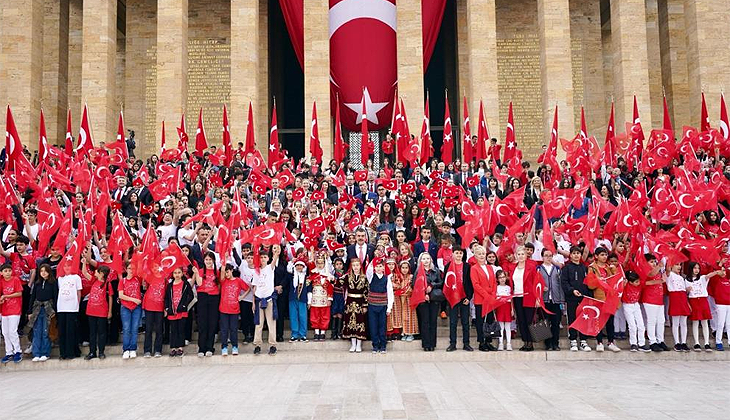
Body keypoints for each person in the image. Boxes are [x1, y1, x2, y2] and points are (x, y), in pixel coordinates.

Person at [586, 246, 620, 352]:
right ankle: (599, 342)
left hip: (609, 297)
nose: (604, 257)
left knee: (610, 321)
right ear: (596, 256)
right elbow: (590, 285)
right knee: (599, 321)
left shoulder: (609, 267)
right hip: (598, 297)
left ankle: (610, 342)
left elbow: (617, 281)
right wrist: (598, 280)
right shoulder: (592, 267)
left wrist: (614, 271)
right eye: (602, 255)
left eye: (605, 255)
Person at [686, 262, 722, 352]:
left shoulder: (702, 278)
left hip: (703, 300)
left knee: (704, 322)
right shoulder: (686, 280)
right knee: (695, 322)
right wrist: (687, 290)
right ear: (691, 269)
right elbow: (685, 292)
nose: (696, 270)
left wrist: (717, 272)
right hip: (693, 300)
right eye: (694, 268)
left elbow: (708, 275)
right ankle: (696, 343)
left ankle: (706, 343)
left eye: (698, 268)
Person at [561, 246, 591, 352]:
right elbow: (564, 282)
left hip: (583, 298)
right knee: (572, 318)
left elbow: (589, 282)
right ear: (570, 255)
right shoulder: (566, 268)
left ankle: (583, 341)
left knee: (583, 318)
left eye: (578, 253)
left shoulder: (584, 268)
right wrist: (572, 290)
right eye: (574, 253)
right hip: (571, 298)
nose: (576, 255)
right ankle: (573, 340)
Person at [248, 250, 278, 355]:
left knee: (271, 322)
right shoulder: (256, 271)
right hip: (259, 299)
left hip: (269, 299)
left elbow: (275, 259)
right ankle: (257, 344)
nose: (263, 259)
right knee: (258, 323)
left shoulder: (270, 268)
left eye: (265, 257)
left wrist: (276, 252)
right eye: (261, 257)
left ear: (268, 258)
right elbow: (254, 287)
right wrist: (253, 302)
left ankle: (272, 344)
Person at [469, 245, 498, 352]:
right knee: (481, 321)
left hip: (490, 299)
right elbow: (476, 285)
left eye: (483, 254)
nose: (481, 256)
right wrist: (487, 296)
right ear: (475, 256)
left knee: (490, 321)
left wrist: (493, 295)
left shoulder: (490, 267)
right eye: (479, 254)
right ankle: (482, 342)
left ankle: (488, 342)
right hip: (481, 300)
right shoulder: (474, 268)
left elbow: (494, 282)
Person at [445, 246, 474, 352]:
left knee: (465, 321)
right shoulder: (448, 266)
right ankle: (452, 343)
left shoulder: (467, 266)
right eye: (456, 253)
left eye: (460, 253)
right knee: (453, 322)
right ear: (452, 254)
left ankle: (466, 343)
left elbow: (471, 283)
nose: (458, 255)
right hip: (453, 297)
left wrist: (469, 297)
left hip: (464, 297)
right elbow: (446, 282)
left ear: (463, 254)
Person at [81, 264, 113, 360]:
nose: (94, 272)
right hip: (91, 311)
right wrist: (83, 263)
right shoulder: (93, 281)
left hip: (102, 311)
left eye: (96, 271)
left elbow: (110, 298)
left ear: (102, 274)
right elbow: (84, 273)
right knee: (92, 332)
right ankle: (92, 352)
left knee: (102, 332)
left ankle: (101, 352)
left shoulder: (108, 284)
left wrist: (110, 311)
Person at [27, 264, 58, 362]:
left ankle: (45, 353)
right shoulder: (37, 284)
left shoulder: (53, 283)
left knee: (46, 331)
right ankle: (36, 353)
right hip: (37, 308)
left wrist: (54, 310)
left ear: (49, 272)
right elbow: (32, 297)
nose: (43, 273)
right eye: (41, 271)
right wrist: (29, 311)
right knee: (37, 331)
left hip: (48, 309)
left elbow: (55, 297)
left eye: (45, 271)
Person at [193, 251, 220, 357]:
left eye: (210, 259)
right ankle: (201, 348)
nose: (208, 261)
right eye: (206, 259)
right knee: (202, 323)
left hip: (214, 298)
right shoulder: (200, 271)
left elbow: (219, 285)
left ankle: (210, 347)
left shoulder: (216, 272)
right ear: (203, 260)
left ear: (213, 260)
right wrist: (195, 273)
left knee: (212, 323)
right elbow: (199, 283)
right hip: (203, 297)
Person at [218, 264, 250, 356]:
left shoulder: (238, 281)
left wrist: (242, 296)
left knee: (233, 329)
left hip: (234, 309)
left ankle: (234, 346)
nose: (226, 274)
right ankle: (224, 347)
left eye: (228, 272)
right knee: (224, 329)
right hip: (223, 309)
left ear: (232, 270)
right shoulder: (223, 281)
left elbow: (248, 289)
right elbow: (222, 276)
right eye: (225, 273)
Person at [537, 248, 564, 351]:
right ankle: (547, 344)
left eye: (550, 256)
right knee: (545, 322)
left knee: (556, 323)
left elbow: (560, 285)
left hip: (555, 300)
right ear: (542, 257)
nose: (548, 258)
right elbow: (536, 284)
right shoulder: (539, 269)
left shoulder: (557, 269)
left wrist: (561, 300)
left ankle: (555, 343)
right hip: (544, 300)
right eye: (546, 255)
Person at [415, 252, 442, 352]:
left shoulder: (436, 271)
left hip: (434, 299)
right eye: (424, 259)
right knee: (425, 321)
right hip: (423, 300)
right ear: (420, 261)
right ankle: (426, 344)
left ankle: (432, 344)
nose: (426, 261)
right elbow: (415, 285)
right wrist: (423, 293)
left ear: (431, 260)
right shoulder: (418, 272)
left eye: (428, 259)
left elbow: (441, 283)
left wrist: (432, 285)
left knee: (433, 321)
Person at [165, 267, 194, 357]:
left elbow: (191, 295)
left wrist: (184, 305)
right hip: (172, 312)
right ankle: (173, 348)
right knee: (173, 330)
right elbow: (166, 298)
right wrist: (167, 308)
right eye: (175, 273)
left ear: (182, 274)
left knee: (181, 329)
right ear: (172, 274)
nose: (177, 275)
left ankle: (180, 348)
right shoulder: (169, 285)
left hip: (181, 312)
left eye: (179, 272)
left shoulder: (185, 284)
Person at [642, 254, 668, 352]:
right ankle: (652, 341)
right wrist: (659, 266)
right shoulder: (645, 270)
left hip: (659, 299)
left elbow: (663, 276)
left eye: (654, 261)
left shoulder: (659, 271)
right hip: (649, 299)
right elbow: (650, 275)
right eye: (651, 262)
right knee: (652, 320)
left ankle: (660, 340)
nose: (654, 263)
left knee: (661, 320)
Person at [367, 257, 394, 353]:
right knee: (373, 326)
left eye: (380, 266)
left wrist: (389, 308)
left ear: (383, 268)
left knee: (382, 326)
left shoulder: (387, 279)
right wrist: (376, 257)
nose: (378, 268)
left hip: (383, 306)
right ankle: (375, 345)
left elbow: (390, 293)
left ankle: (383, 345)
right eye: (377, 266)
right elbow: (368, 270)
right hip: (372, 305)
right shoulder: (371, 277)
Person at [342, 258, 368, 353]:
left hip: (360, 302)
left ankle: (359, 344)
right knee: (350, 323)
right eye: (354, 265)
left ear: (360, 266)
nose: (356, 267)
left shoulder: (364, 278)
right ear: (351, 267)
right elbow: (339, 284)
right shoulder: (347, 277)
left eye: (357, 265)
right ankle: (353, 344)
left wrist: (365, 305)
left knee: (360, 322)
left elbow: (366, 292)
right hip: (350, 302)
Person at [56, 270, 83, 360]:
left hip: (72, 307)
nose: (67, 268)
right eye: (65, 266)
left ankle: (71, 352)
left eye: (69, 266)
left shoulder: (76, 277)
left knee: (71, 330)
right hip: (61, 307)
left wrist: (77, 304)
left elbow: (79, 292)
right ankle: (63, 353)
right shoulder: (60, 278)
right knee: (62, 331)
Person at [0, 263, 24, 363]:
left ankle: (17, 351)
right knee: (5, 332)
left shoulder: (15, 280)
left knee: (12, 331)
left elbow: (19, 293)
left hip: (15, 309)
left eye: (9, 271)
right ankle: (9, 352)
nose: (8, 273)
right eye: (5, 271)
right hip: (4, 310)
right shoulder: (1, 282)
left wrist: (6, 296)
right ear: (1, 273)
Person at [119, 264, 143, 359]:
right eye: (129, 268)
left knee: (134, 328)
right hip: (126, 307)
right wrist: (134, 300)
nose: (131, 270)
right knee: (126, 328)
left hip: (136, 308)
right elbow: (121, 295)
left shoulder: (137, 280)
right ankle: (126, 349)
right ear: (126, 269)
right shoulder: (122, 281)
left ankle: (133, 349)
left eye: (133, 268)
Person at [309, 251, 334, 341]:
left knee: (325, 315)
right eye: (318, 263)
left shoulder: (328, 276)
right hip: (315, 298)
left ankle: (323, 332)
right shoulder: (313, 275)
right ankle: (316, 332)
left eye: (322, 263)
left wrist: (329, 298)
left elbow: (330, 288)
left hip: (324, 298)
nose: (320, 265)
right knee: (315, 315)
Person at [665, 263, 690, 352]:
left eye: (680, 265)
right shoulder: (669, 275)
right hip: (675, 297)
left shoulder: (681, 277)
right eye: (676, 264)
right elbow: (667, 270)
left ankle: (683, 342)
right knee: (676, 323)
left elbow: (683, 289)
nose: (679, 266)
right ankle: (677, 343)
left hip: (683, 297)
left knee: (683, 322)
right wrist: (669, 261)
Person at [288, 259, 310, 342]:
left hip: (303, 299)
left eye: (301, 265)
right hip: (292, 299)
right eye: (297, 265)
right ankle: (294, 334)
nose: (299, 267)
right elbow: (288, 268)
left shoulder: (306, 278)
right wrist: (292, 261)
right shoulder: (291, 276)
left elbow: (309, 289)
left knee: (303, 317)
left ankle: (303, 334)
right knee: (293, 316)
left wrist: (309, 301)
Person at [494, 270, 513, 351]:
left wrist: (512, 309)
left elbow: (511, 299)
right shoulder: (496, 288)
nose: (502, 279)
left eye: (503, 277)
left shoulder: (509, 288)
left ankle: (509, 343)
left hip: (507, 307)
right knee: (501, 326)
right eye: (500, 277)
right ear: (497, 279)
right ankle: (501, 343)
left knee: (508, 327)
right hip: (500, 307)